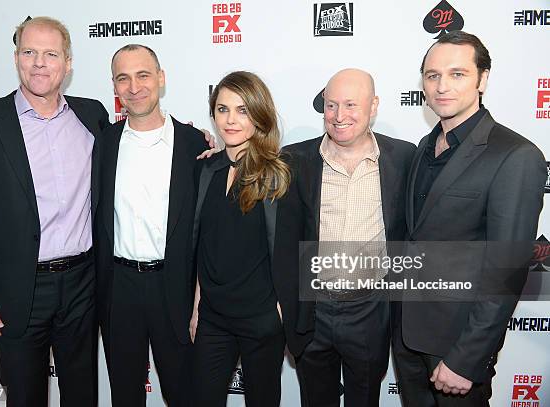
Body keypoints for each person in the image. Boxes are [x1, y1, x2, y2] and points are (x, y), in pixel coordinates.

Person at [0, 16, 109, 407]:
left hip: (84, 285)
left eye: (51, 54)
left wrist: (194, 141)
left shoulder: (93, 116)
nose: (39, 62)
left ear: (67, 63)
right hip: (16, 290)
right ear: (16, 57)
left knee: (83, 394)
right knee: (24, 397)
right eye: (29, 52)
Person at [392, 30, 546, 406]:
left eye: (457, 74)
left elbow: (505, 271)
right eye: (432, 75)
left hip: (457, 348)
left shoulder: (515, 155)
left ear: (483, 79)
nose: (442, 85)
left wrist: (467, 358)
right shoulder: (422, 149)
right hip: (408, 338)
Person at [273, 68, 416, 406]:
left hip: (371, 308)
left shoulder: (405, 157)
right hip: (313, 308)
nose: (339, 116)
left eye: (351, 105)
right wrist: (207, 147)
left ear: (374, 105)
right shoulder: (294, 159)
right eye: (331, 105)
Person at [94, 44, 208, 407]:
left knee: (184, 392)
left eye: (143, 75)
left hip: (174, 286)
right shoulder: (102, 142)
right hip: (119, 287)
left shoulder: (196, 145)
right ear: (114, 86)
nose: (134, 86)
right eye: (123, 78)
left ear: (161, 78)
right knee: (125, 395)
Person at [189, 71, 290, 407]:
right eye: (222, 109)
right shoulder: (206, 170)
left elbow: (290, 250)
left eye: (242, 110)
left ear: (259, 114)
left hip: (260, 319)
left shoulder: (277, 174)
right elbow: (204, 248)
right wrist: (196, 310)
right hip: (213, 319)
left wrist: (279, 310)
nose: (230, 120)